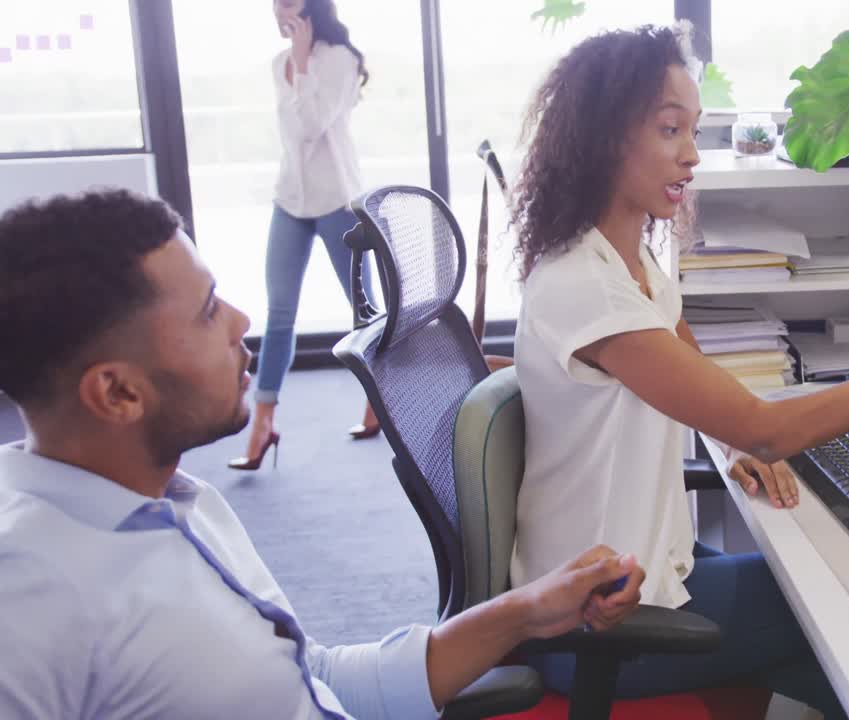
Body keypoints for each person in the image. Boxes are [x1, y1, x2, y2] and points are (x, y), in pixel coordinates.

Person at [507, 24, 849, 719]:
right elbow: (769, 430)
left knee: (838, 630)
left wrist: (729, 439)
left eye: (693, 131)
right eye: (670, 131)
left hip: (646, 562)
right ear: (604, 138)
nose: (691, 156)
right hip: (595, 617)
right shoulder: (588, 285)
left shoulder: (627, 262)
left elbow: (688, 366)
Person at [0, 189, 645, 719]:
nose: (240, 320)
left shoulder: (176, 499)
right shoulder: (31, 603)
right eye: (204, 313)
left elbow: (307, 677)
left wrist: (524, 612)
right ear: (117, 392)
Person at [232, 0, 379, 471]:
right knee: (278, 314)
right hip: (290, 199)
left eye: (290, 3)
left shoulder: (341, 59)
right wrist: (294, 62)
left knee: (364, 310)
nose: (281, 10)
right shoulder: (281, 65)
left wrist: (301, 59)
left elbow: (313, 125)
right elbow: (293, 135)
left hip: (337, 199)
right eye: (276, 3)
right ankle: (262, 424)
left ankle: (379, 403)